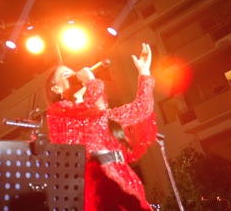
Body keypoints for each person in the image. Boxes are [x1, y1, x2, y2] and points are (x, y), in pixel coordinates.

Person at [45, 43, 157, 211]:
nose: (75, 75)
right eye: (67, 75)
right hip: (96, 185)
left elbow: (141, 109)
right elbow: (94, 108)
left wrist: (144, 72)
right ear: (56, 88)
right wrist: (92, 82)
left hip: (121, 178)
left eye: (74, 72)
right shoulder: (58, 112)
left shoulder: (100, 114)